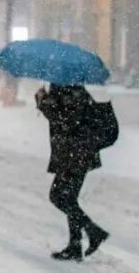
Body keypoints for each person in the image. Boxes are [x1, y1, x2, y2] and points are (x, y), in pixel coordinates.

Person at [35, 84, 110, 261]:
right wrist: (46, 100)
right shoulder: (72, 87)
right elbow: (65, 117)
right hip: (77, 153)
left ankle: (93, 231)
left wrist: (43, 102)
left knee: (58, 195)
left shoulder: (69, 89)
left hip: (75, 154)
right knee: (69, 198)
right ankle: (75, 245)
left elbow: (65, 120)